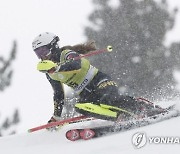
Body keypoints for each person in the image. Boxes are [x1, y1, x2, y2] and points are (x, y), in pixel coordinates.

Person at [32, 32, 164, 124]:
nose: (43, 57)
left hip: (99, 81)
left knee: (106, 99)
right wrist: (57, 116)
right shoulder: (49, 73)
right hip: (85, 93)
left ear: (53, 46)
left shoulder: (66, 54)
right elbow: (59, 94)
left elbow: (76, 64)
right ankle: (121, 117)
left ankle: (142, 108)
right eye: (38, 53)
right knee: (80, 107)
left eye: (44, 51)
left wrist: (57, 68)